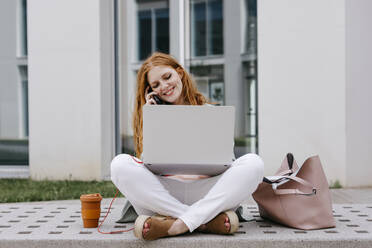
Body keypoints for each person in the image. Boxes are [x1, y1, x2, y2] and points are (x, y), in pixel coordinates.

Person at [110, 52, 264, 241]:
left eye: (167, 77)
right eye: (156, 85)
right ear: (150, 92)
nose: (164, 86)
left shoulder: (211, 113)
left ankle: (176, 224)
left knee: (254, 163)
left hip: (207, 192)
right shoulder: (152, 117)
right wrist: (154, 118)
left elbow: (227, 162)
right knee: (119, 163)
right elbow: (148, 166)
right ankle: (202, 221)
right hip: (164, 196)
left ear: (180, 73)